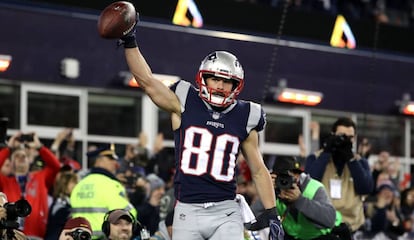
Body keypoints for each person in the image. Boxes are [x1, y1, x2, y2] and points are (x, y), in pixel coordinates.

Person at [117, 9, 282, 240]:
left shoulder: (246, 114)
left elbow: (257, 168)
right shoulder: (184, 100)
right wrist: (129, 41)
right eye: (215, 78)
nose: (221, 86)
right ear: (203, 78)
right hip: (187, 210)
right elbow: (147, 81)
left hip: (226, 210)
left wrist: (272, 213)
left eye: (228, 82)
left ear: (237, 86)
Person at [305, 117, 374, 235]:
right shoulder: (316, 157)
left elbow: (366, 188)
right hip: (321, 226)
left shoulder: (360, 162)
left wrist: (351, 159)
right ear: (333, 135)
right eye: (342, 136)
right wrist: (327, 151)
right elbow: (310, 182)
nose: (346, 140)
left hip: (352, 227)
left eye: (350, 137)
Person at [0, 132, 61, 238]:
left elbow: (56, 166)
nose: (21, 157)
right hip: (11, 235)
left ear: (30, 161)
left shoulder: (40, 177)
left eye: (24, 156)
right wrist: (8, 148)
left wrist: (40, 147)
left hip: (36, 235)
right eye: (17, 156)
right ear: (11, 163)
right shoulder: (5, 181)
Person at [70, 144, 137, 239]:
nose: (115, 163)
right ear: (99, 160)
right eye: (110, 159)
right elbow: (128, 214)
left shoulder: (79, 185)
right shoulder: (112, 185)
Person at [270, 156, 341, 240]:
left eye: (292, 176)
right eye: (282, 178)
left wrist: (300, 200)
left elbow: (329, 220)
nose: (285, 182)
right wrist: (268, 191)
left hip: (320, 237)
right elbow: (255, 219)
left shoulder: (314, 187)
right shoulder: (274, 191)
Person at [45, 171, 79, 240]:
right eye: (73, 182)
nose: (76, 185)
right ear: (64, 184)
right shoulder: (60, 204)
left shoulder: (67, 202)